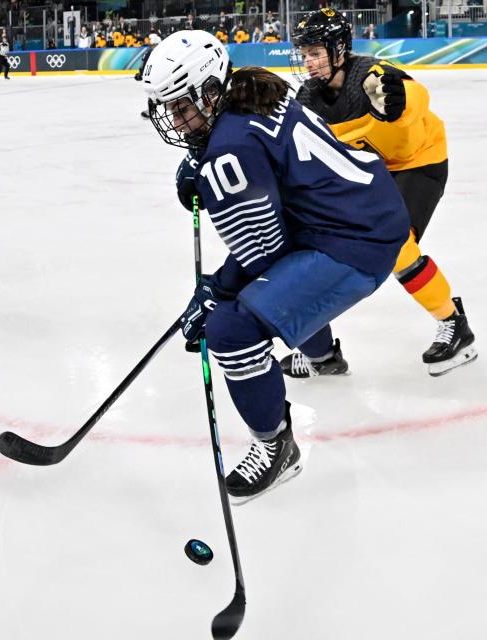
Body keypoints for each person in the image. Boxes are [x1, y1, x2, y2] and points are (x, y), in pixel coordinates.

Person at [144, 31, 409, 502]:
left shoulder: (228, 149)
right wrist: (202, 156)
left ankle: (275, 446)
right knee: (280, 291)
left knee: (231, 329)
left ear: (209, 91)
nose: (177, 121)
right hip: (366, 209)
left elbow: (263, 251)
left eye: (183, 107)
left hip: (352, 241)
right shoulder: (249, 87)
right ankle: (325, 355)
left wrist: (215, 291)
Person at [288, 8, 476, 377]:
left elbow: (414, 95)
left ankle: (456, 326)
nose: (307, 62)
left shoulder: (373, 75)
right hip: (369, 172)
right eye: (304, 54)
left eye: (315, 52)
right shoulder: (308, 97)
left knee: (397, 245)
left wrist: (399, 105)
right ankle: (321, 351)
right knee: (319, 244)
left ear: (339, 48)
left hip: (418, 163)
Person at [135, 32, 162, 118]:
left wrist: (140, 73)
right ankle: (151, 110)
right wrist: (140, 73)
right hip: (152, 77)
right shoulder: (149, 52)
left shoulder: (158, 53)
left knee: (153, 94)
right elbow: (144, 65)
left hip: (157, 77)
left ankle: (151, 110)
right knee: (152, 94)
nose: (152, 46)